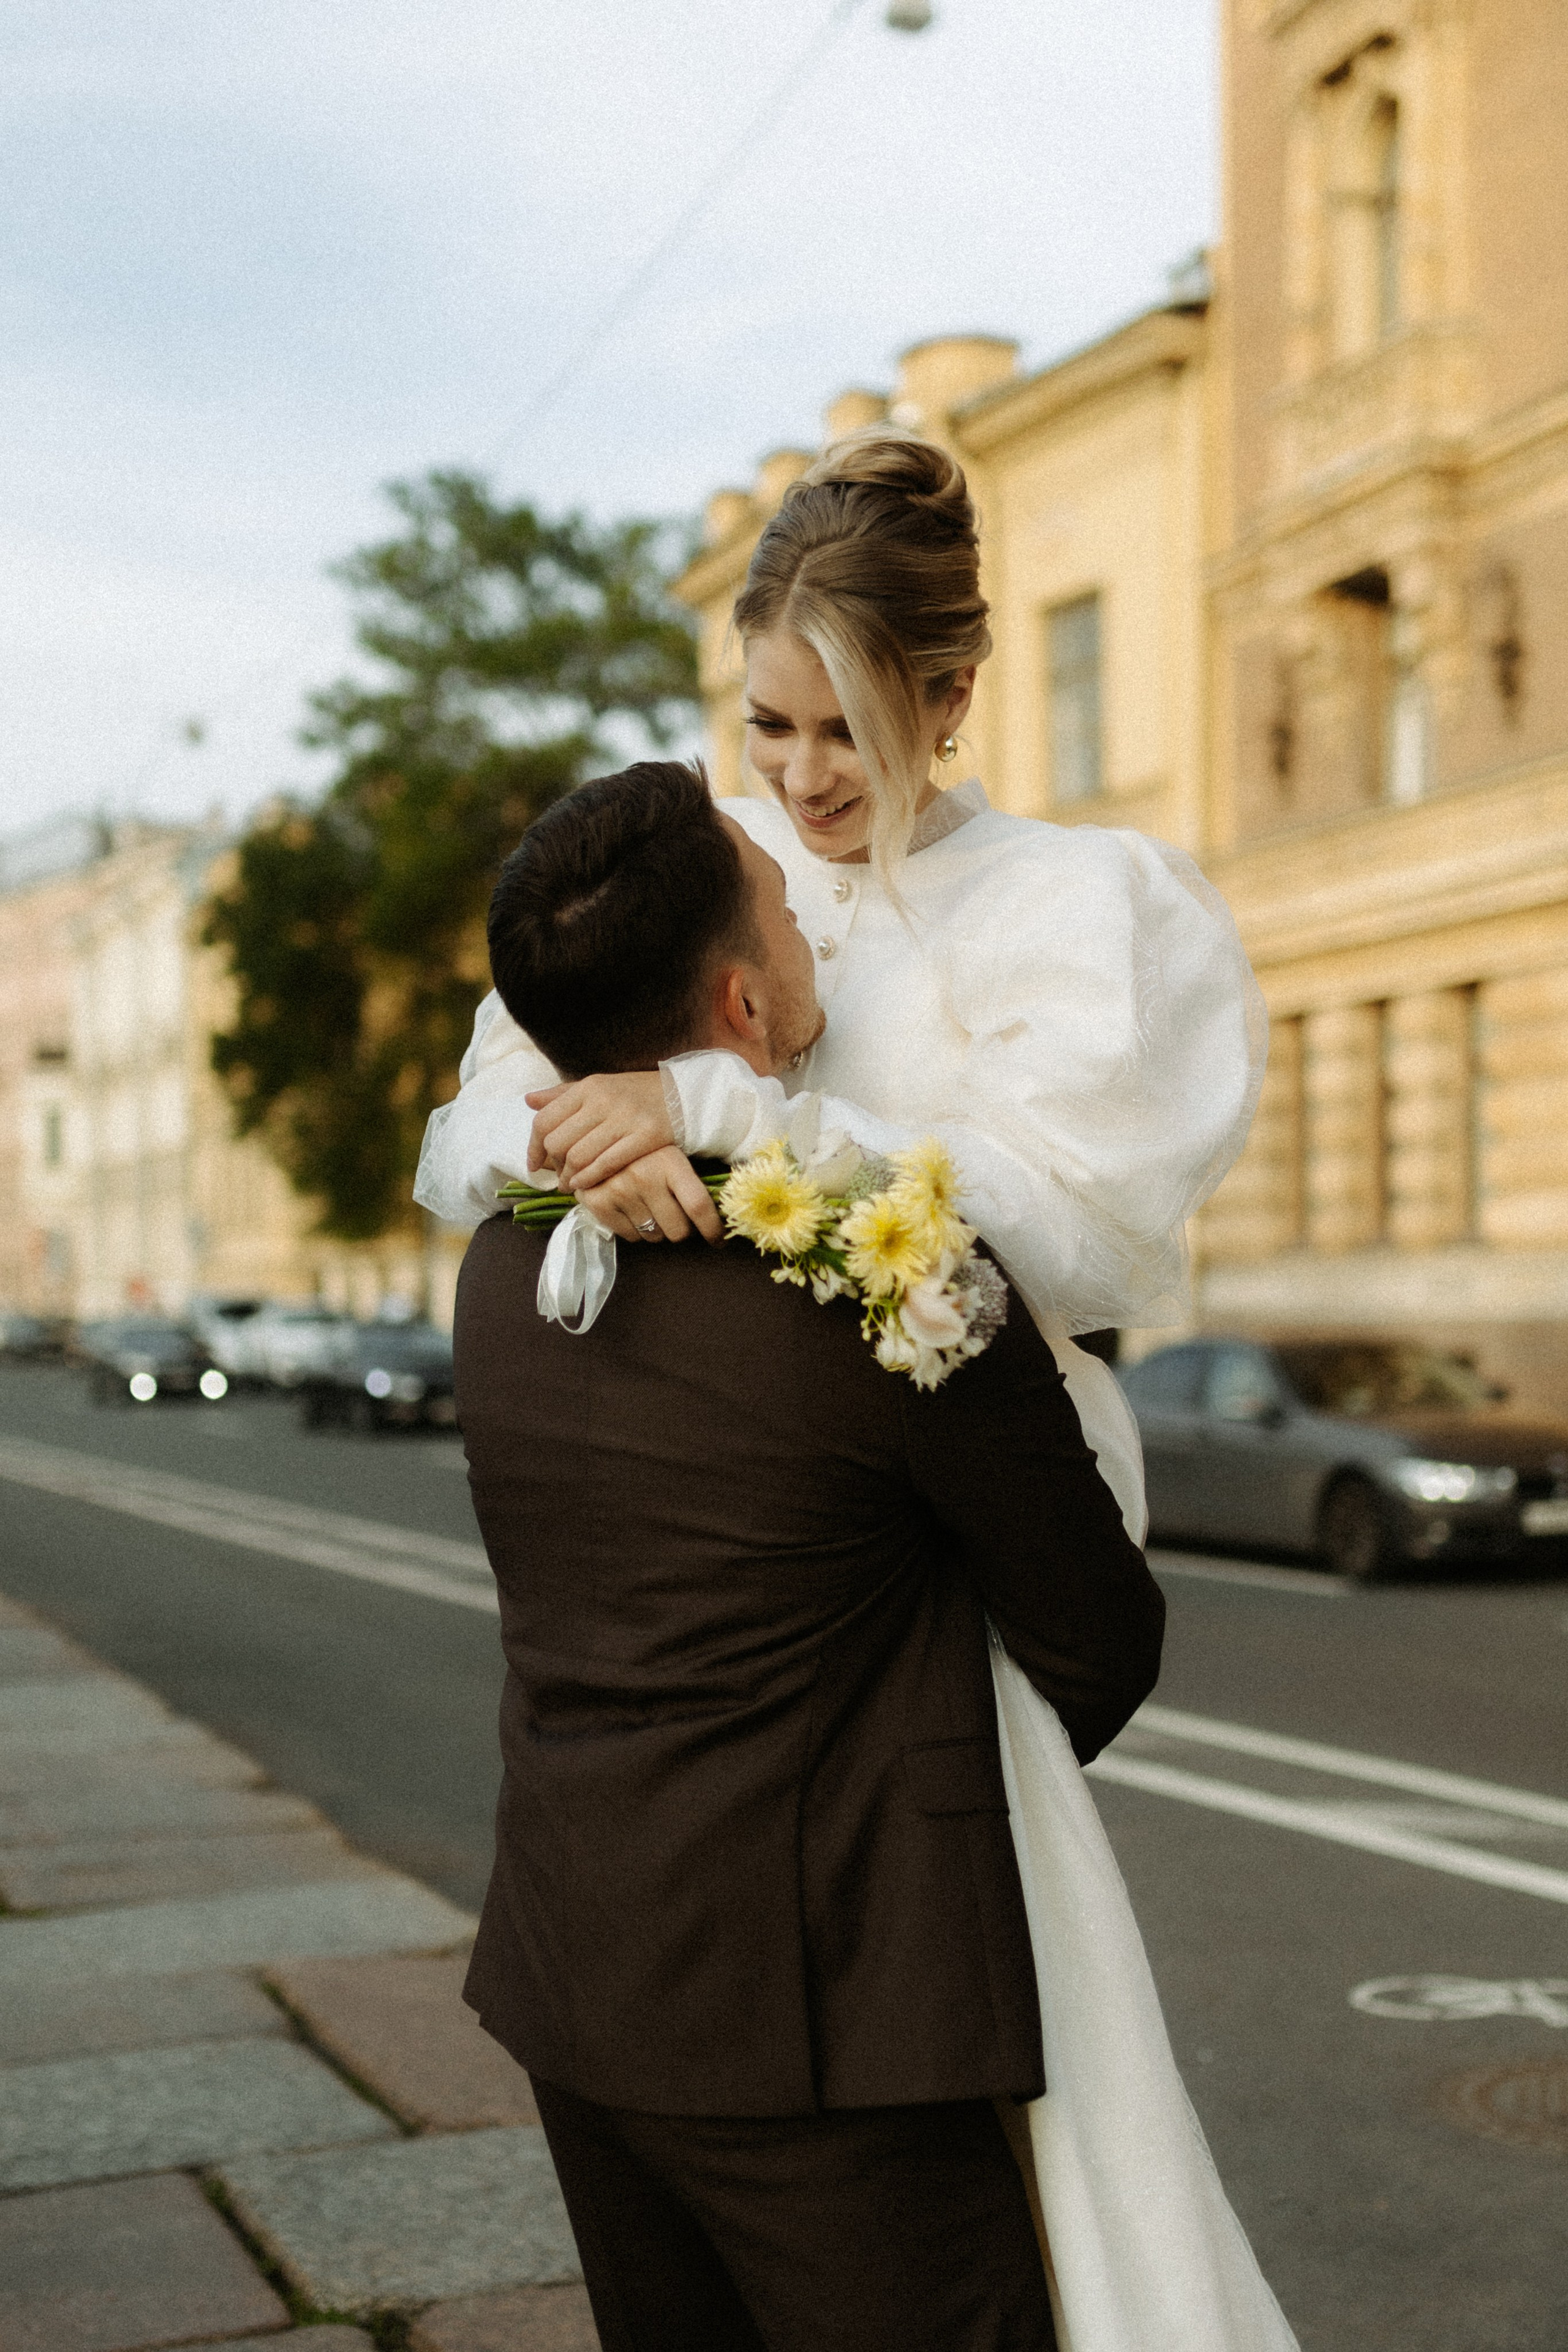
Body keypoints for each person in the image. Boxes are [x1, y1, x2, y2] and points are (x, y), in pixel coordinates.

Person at [454, 758, 1167, 2352]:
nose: (812, 920)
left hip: (578, 1981)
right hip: (832, 2032)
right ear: (743, 1001)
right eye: (783, 902)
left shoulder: (503, 1266)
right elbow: (1100, 1638)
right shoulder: (895, 1282)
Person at [415, 426, 1268, 1542]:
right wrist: (590, 1154)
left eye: (848, 732)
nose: (803, 777)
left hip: (964, 1519)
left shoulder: (1066, 900)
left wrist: (718, 1117)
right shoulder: (703, 860)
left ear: (951, 697)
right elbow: (475, 1120)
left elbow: (1062, 1234)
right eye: (769, 725)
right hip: (717, 1505)